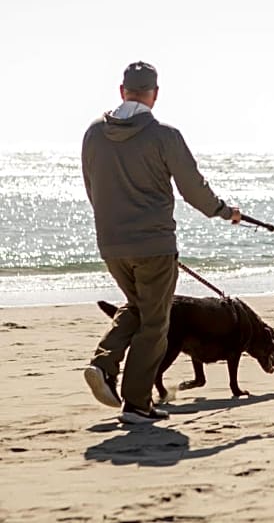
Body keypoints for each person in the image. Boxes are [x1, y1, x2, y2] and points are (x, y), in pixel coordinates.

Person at [81, 61, 241, 424]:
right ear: (154, 95)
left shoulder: (93, 133)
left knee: (139, 308)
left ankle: (104, 365)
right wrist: (224, 211)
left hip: (112, 243)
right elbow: (193, 189)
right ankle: (136, 403)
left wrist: (114, 228)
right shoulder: (164, 136)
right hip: (153, 245)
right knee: (156, 322)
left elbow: (93, 188)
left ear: (122, 91)